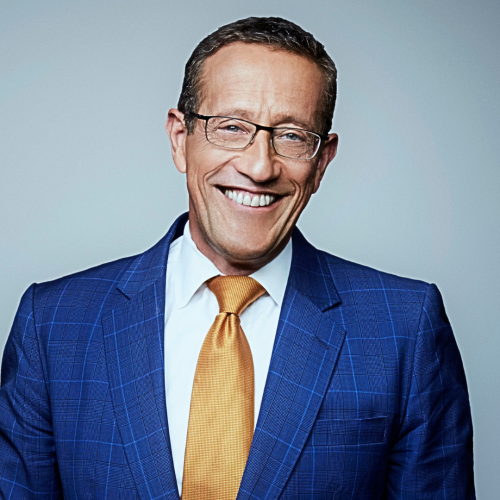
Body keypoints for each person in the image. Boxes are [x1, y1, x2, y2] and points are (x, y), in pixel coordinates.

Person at [0, 16, 474, 500]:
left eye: (292, 136)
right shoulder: (53, 326)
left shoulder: (405, 329)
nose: (259, 166)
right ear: (180, 139)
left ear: (321, 162)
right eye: (231, 127)